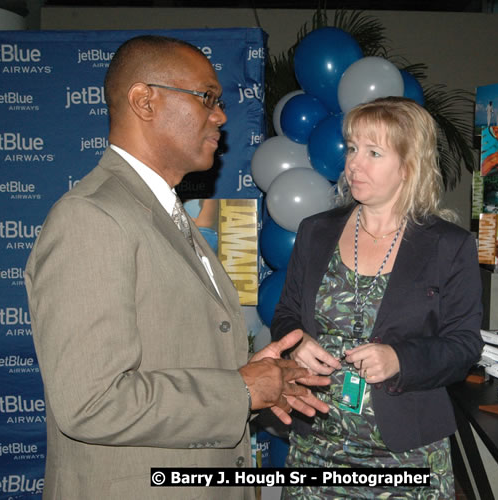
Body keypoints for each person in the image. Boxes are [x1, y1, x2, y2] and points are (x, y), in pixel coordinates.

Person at [25, 35, 328, 500]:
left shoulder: (162, 212)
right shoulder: (92, 217)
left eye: (221, 102)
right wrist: (239, 390)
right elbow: (90, 402)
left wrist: (256, 384)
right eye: (207, 98)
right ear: (144, 101)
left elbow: (175, 360)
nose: (221, 115)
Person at [271, 97, 483, 498]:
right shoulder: (316, 232)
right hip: (317, 446)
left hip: (405, 455)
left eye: (373, 152)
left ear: (408, 164)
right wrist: (296, 342)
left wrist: (400, 359)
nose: (353, 164)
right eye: (352, 148)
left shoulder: (448, 246)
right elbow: (286, 313)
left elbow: (464, 345)